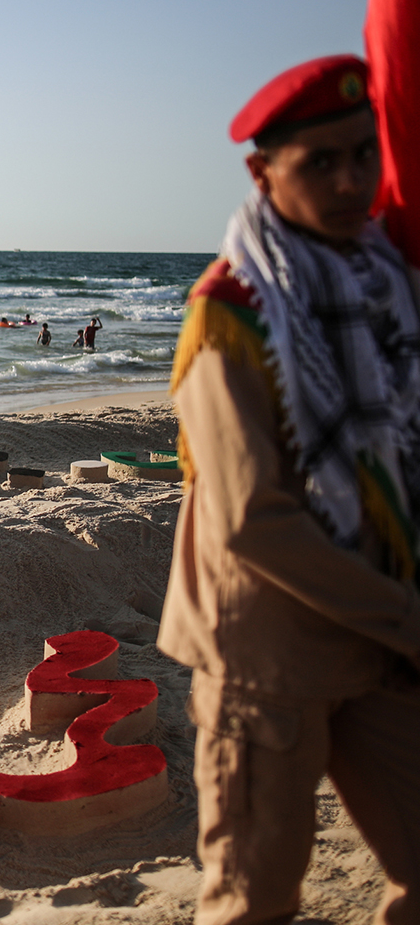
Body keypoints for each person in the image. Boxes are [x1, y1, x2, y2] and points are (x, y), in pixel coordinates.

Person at [158, 54, 420, 923]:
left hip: (380, 645)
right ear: (263, 173)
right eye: (320, 163)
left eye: (364, 155)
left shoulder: (387, 287)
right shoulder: (230, 310)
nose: (350, 182)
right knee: (254, 898)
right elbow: (251, 522)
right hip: (269, 658)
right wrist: (405, 617)